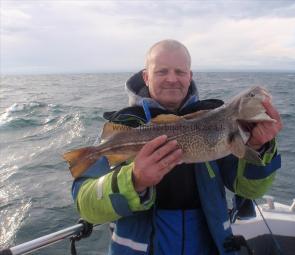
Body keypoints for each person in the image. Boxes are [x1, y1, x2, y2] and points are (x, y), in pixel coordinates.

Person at [71, 39, 282, 255]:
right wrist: (134, 180)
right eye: (162, 71)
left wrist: (259, 147)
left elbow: (249, 189)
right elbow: (85, 205)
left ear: (190, 76)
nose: (172, 79)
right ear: (146, 76)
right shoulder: (125, 127)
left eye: (180, 72)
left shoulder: (215, 122)